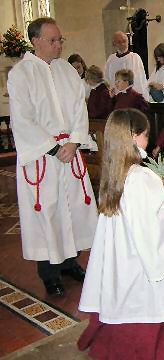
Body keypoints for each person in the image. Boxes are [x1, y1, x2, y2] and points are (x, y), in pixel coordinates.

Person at [77, 108, 164, 360]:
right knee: (148, 315)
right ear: (134, 137)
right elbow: (151, 227)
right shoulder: (141, 177)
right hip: (142, 266)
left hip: (123, 259)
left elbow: (143, 211)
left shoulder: (115, 173)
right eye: (145, 135)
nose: (149, 139)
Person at [7, 17, 98, 296]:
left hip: (68, 153)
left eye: (60, 40)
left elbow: (78, 109)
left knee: (70, 208)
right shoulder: (21, 74)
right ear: (35, 41)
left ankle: (70, 262)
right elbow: (22, 119)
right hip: (43, 157)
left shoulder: (67, 71)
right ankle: (49, 273)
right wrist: (53, 147)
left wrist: (73, 142)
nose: (59, 45)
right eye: (53, 40)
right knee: (47, 211)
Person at [104, 31, 149, 100]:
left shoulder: (134, 58)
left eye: (124, 41)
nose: (122, 44)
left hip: (132, 98)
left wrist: (142, 98)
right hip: (116, 98)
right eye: (119, 42)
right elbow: (107, 79)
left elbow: (140, 80)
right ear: (114, 43)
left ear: (128, 42)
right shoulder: (111, 59)